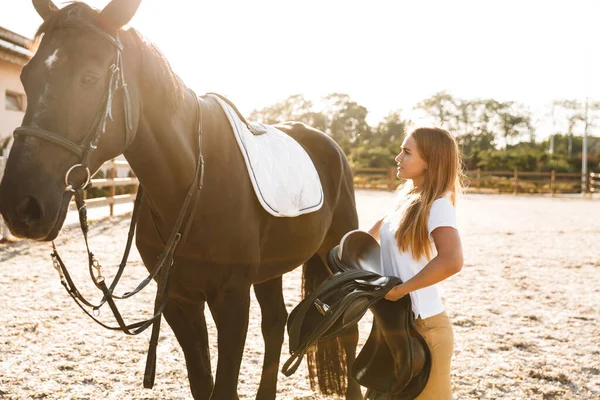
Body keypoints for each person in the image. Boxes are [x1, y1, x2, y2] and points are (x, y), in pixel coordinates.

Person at [368, 126, 464, 400]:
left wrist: (401, 290)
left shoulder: (438, 205)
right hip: (394, 322)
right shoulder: (409, 199)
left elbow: (452, 260)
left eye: (407, 152)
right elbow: (374, 234)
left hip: (425, 328)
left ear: (430, 161)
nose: (398, 157)